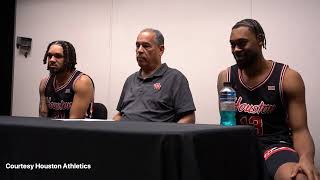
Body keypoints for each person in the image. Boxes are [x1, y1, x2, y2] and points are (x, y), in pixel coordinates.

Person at [217, 19, 319, 180]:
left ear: (259, 40)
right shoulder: (226, 78)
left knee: (300, 178)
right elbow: (226, 121)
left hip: (276, 147)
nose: (236, 49)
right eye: (232, 44)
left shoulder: (288, 77)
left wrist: (306, 159)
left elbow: (300, 130)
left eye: (242, 43)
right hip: (239, 146)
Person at [113, 28, 196, 123]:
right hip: (124, 135)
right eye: (137, 45)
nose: (139, 50)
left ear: (161, 50)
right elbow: (120, 114)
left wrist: (170, 137)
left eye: (146, 46)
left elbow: (188, 118)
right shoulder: (130, 80)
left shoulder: (175, 78)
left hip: (155, 137)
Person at [39, 40, 94, 119]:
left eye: (58, 56)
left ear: (68, 59)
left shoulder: (81, 82)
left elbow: (74, 123)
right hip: (50, 129)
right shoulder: (44, 83)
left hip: (78, 130)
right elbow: (43, 117)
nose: (52, 60)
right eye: (49, 56)